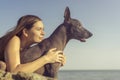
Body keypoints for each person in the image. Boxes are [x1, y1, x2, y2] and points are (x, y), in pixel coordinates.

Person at [0, 15, 66, 73]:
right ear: (25, 32)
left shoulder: (27, 49)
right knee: (2, 66)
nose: (43, 33)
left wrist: (56, 61)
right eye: (39, 29)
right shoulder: (14, 40)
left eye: (43, 29)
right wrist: (46, 58)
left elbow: (29, 68)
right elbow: (14, 71)